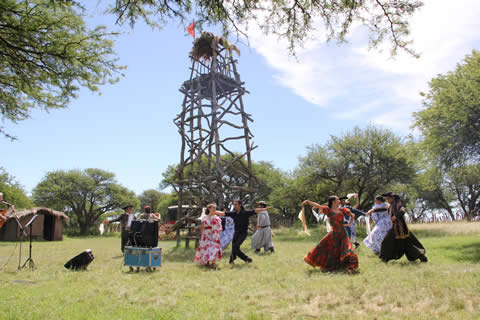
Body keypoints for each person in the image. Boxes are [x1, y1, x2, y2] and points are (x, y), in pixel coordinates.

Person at [302, 197, 358, 273]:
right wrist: (308, 201)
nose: (339, 201)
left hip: (343, 234)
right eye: (338, 199)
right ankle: (333, 267)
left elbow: (353, 215)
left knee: (346, 250)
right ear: (333, 201)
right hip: (334, 234)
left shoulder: (343, 210)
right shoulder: (328, 210)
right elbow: (319, 206)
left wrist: (349, 224)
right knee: (329, 250)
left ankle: (347, 267)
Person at [379, 192, 428, 263]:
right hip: (396, 228)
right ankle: (421, 257)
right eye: (387, 199)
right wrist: (372, 211)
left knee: (387, 242)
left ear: (393, 198)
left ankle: (385, 259)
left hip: (401, 228)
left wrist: (395, 217)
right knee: (405, 245)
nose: (387, 200)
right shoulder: (391, 205)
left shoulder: (399, 203)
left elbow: (402, 210)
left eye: (388, 198)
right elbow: (383, 209)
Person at [217, 200, 265, 264]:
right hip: (236, 232)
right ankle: (232, 259)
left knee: (236, 246)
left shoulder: (245, 213)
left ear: (240, 205)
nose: (235, 206)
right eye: (234, 204)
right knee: (234, 247)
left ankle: (246, 259)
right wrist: (213, 211)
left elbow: (254, 211)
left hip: (243, 233)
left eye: (236, 204)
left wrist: (263, 209)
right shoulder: (233, 213)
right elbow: (222, 213)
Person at [194, 203, 223, 269]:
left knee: (215, 248)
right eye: (213, 208)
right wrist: (202, 237)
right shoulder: (204, 218)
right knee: (206, 248)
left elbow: (219, 228)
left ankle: (213, 263)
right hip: (206, 235)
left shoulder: (217, 218)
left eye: (215, 208)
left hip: (214, 235)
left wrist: (217, 236)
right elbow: (202, 228)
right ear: (209, 209)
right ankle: (206, 262)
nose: (214, 209)